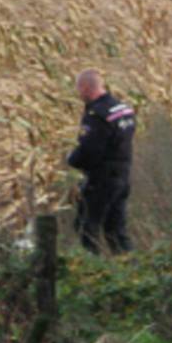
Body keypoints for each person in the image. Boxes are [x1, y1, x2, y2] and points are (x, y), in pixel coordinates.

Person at [67, 68, 136, 253]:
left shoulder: (97, 115)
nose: (79, 94)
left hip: (102, 178)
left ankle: (92, 267)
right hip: (123, 175)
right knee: (116, 230)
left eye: (79, 89)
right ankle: (130, 265)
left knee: (86, 227)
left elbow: (90, 150)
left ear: (86, 87)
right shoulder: (123, 109)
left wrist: (72, 160)